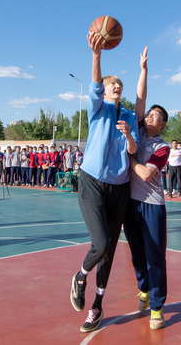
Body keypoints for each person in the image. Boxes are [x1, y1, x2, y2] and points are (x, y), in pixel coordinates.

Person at [70, 31, 139, 333]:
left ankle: (96, 307)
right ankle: (81, 276)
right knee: (99, 243)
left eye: (120, 85)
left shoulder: (128, 117)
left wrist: (128, 135)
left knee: (109, 249)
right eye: (114, 84)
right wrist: (97, 55)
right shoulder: (98, 109)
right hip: (93, 182)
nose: (117, 87)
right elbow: (95, 84)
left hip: (120, 187)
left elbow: (133, 149)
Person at [123, 46, 170, 330]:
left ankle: (157, 306)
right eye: (149, 113)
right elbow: (140, 99)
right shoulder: (138, 131)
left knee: (155, 256)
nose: (149, 116)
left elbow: (143, 173)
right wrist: (143, 70)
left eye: (155, 115)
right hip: (131, 204)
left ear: (162, 123)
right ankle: (143, 288)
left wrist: (127, 158)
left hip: (152, 205)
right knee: (137, 254)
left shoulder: (162, 147)